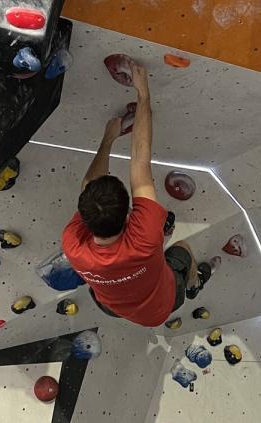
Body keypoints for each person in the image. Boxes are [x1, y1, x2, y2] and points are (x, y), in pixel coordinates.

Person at [61, 61, 211, 328]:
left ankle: (173, 259)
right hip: (159, 307)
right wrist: (143, 94)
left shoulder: (74, 244)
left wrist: (108, 139)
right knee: (184, 249)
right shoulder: (142, 238)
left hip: (113, 305)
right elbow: (140, 160)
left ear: (84, 218)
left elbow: (91, 186)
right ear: (129, 216)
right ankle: (193, 282)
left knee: (158, 241)